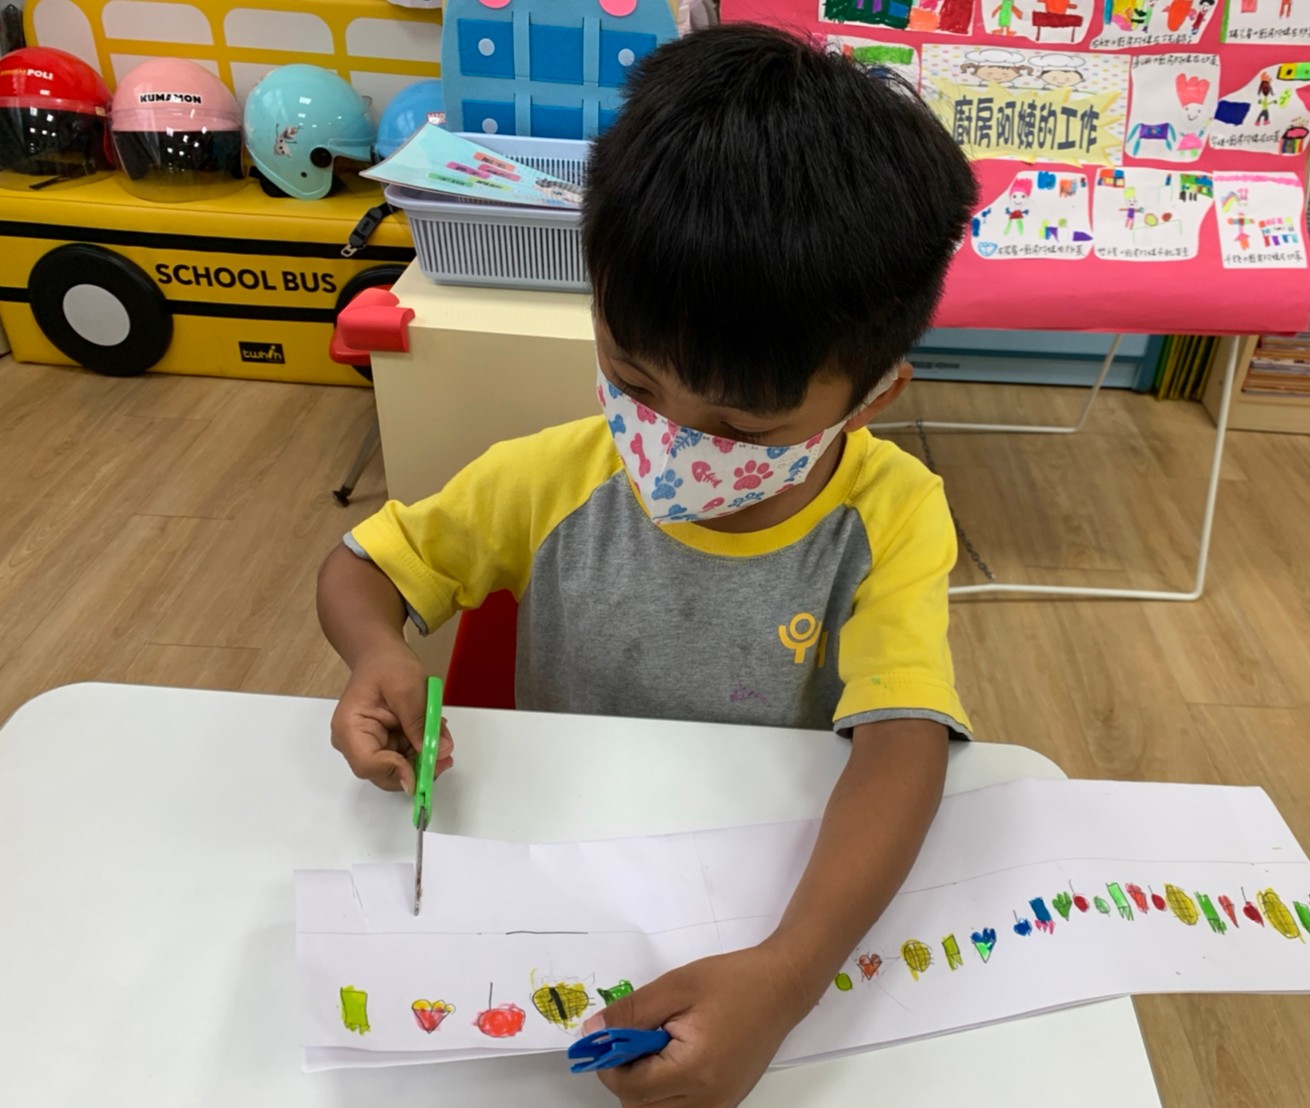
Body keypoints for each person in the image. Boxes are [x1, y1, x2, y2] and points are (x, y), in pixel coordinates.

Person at [315, 24, 977, 1108]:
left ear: (870, 396)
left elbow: (906, 741)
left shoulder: (891, 516)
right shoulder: (553, 474)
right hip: (556, 869)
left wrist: (787, 978)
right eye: (631, 379)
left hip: (770, 889)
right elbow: (362, 566)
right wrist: (376, 653)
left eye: (742, 426)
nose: (671, 442)